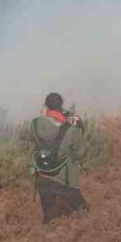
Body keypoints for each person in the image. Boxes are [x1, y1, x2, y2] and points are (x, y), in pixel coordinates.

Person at [28, 92, 89, 223]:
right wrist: (78, 126)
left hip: (42, 176)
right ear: (61, 105)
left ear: (46, 106)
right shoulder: (72, 128)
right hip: (64, 178)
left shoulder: (34, 124)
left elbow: (29, 137)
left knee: (49, 218)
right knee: (84, 213)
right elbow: (80, 153)